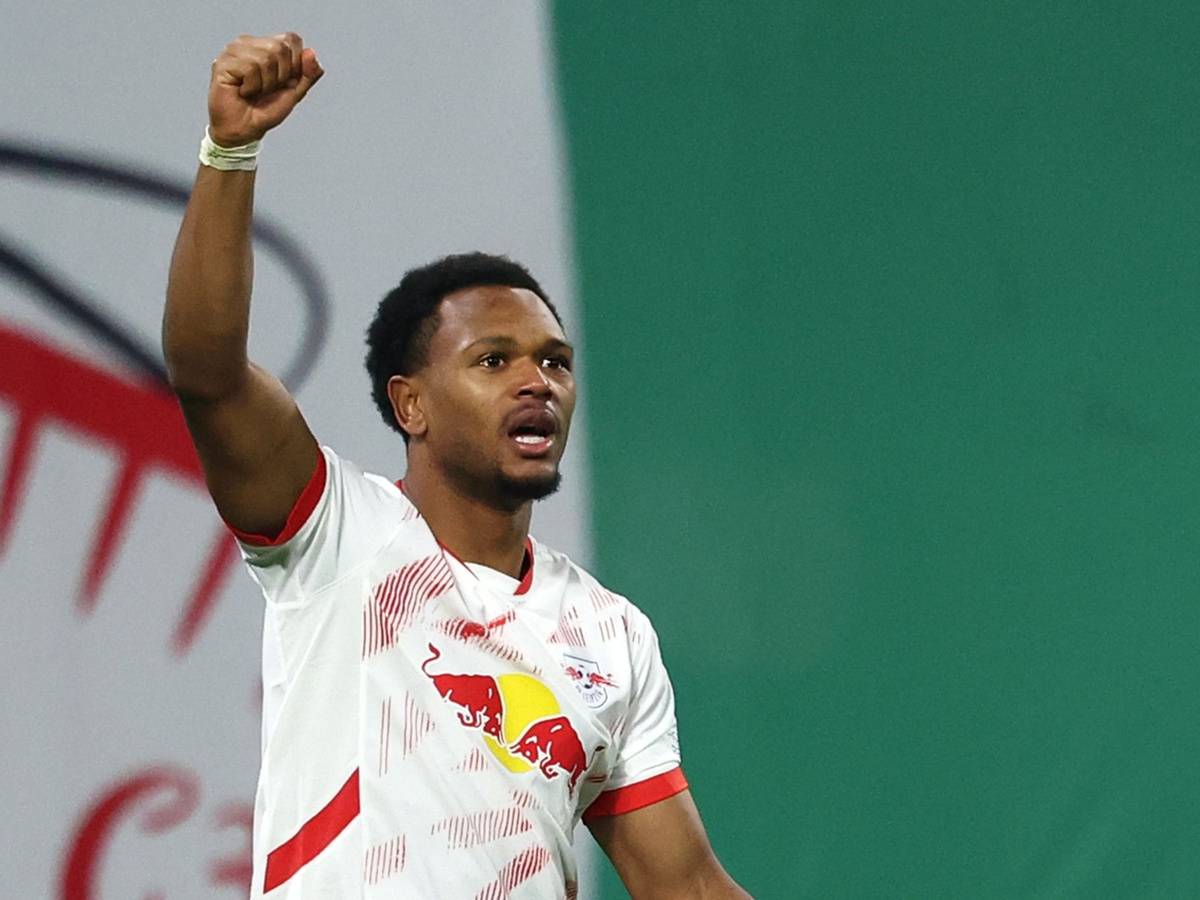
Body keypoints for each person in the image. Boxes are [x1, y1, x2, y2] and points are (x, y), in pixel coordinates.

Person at [164, 31, 753, 900]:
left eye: (555, 362)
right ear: (411, 406)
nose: (537, 382)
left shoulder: (611, 634)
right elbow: (208, 373)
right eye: (494, 361)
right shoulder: (338, 536)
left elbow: (686, 885)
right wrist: (230, 152)